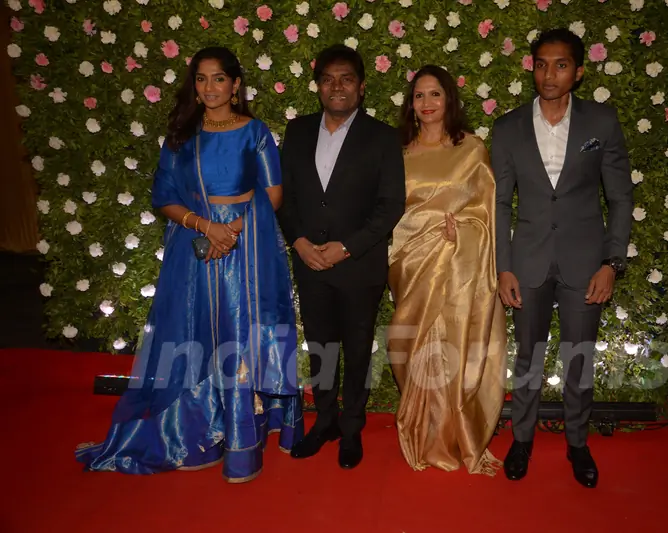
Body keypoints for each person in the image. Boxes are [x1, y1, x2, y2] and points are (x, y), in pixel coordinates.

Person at [75, 47, 302, 483]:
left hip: (244, 250)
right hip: (194, 250)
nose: (210, 87)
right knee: (194, 333)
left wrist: (231, 231)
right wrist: (204, 227)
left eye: (219, 79)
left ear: (236, 85)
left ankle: (240, 440)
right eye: (201, 79)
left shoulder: (255, 133)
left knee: (239, 335)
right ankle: (197, 432)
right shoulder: (181, 137)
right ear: (193, 87)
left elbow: (272, 194)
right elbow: (163, 197)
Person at [492, 28, 633, 487]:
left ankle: (577, 443)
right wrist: (503, 265)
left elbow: (621, 198)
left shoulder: (602, 122)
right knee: (528, 359)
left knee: (579, 358)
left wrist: (612, 263)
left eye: (561, 64)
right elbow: (499, 202)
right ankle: (522, 440)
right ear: (530, 68)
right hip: (527, 261)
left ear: (579, 71)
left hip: (585, 261)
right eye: (541, 64)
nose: (549, 74)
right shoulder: (508, 126)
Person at [277, 45, 406, 469]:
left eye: (346, 78)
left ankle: (352, 429)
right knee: (320, 348)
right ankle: (325, 421)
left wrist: (346, 246)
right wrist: (298, 241)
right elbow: (285, 197)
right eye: (328, 78)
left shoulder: (383, 137)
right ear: (317, 86)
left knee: (356, 349)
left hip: (359, 264)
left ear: (362, 87)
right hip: (309, 262)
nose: (337, 86)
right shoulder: (296, 132)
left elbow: (390, 206)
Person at [387, 66, 508, 476]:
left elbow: (487, 214)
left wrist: (466, 231)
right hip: (411, 264)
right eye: (419, 96)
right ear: (411, 103)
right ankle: (424, 430)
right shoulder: (398, 151)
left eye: (434, 94)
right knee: (412, 348)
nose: (427, 103)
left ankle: (457, 435)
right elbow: (389, 211)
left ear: (449, 99)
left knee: (454, 347)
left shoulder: (472, 149)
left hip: (460, 270)